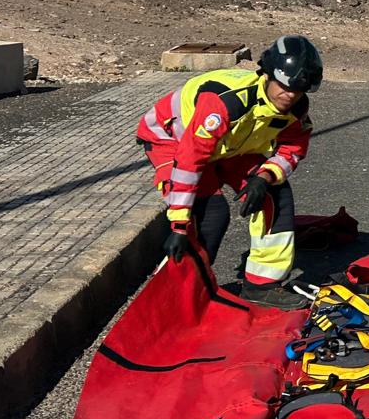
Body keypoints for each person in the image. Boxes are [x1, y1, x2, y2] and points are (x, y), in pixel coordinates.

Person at [135, 35, 322, 295]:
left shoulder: (296, 110)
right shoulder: (227, 102)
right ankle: (178, 293)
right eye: (284, 86)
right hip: (173, 139)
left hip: (229, 147)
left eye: (297, 90)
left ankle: (262, 285)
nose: (289, 96)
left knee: (274, 194)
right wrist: (178, 225)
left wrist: (264, 177)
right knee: (210, 213)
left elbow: (293, 149)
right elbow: (190, 160)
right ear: (266, 74)